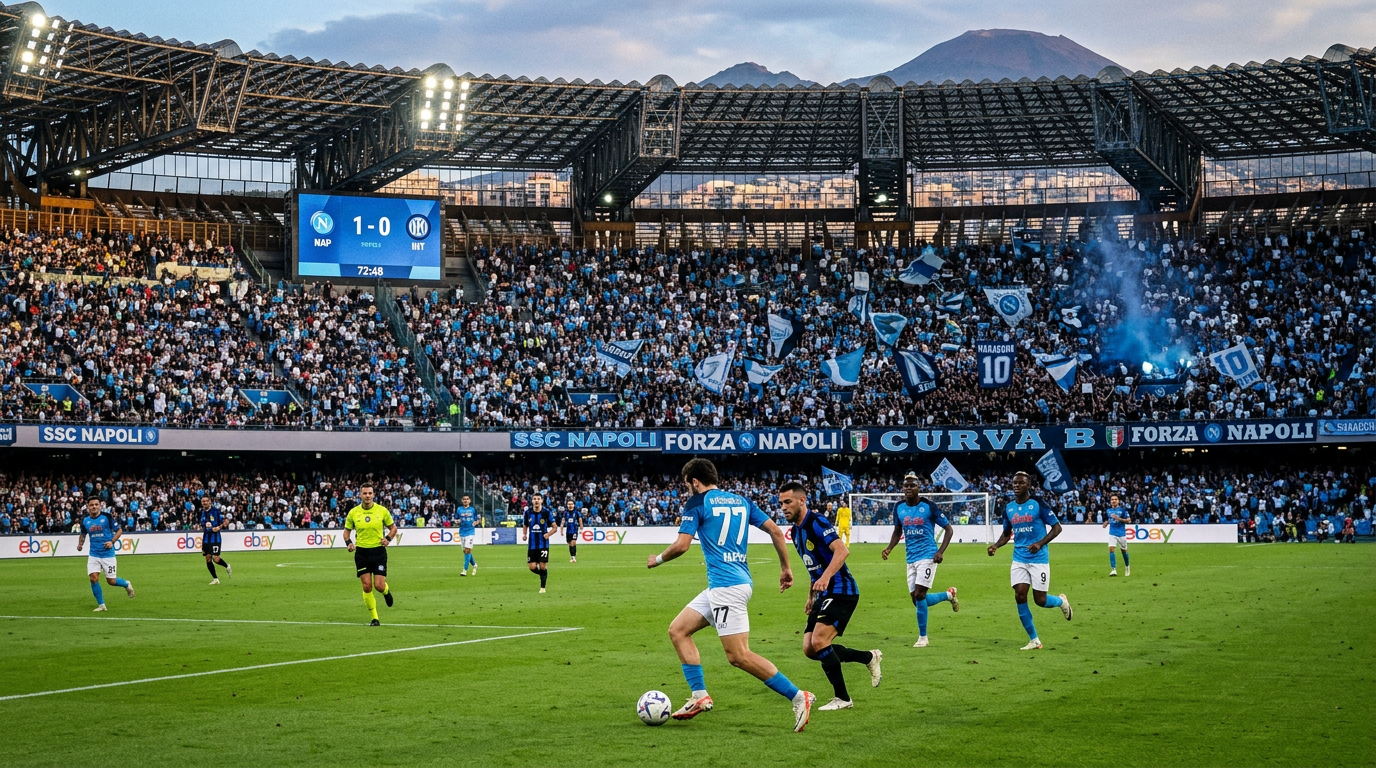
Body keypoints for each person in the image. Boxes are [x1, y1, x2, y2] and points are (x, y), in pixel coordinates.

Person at [646, 458, 815, 732]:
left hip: (727, 589)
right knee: (678, 630)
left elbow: (682, 545)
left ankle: (798, 696)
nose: (687, 489)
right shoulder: (741, 501)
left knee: (738, 656)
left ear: (695, 481)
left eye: (687, 484)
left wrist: (658, 559)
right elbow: (775, 530)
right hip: (728, 585)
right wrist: (785, 568)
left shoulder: (697, 502)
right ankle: (699, 697)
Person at [780, 481, 881, 711]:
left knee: (819, 641)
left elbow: (842, 551)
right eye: (781, 503)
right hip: (822, 591)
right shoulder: (796, 533)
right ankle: (868, 657)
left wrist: (824, 578)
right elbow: (812, 567)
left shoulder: (817, 522)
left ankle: (843, 698)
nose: (784, 507)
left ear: (801, 500)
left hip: (841, 590)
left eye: (788, 502)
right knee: (809, 648)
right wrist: (810, 595)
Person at [987, 471, 1072, 650]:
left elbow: (1057, 528)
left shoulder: (1038, 504)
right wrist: (995, 546)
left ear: (1028, 485)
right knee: (1019, 595)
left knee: (1040, 600)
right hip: (1019, 558)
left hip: (1038, 559)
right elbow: (1006, 533)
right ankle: (1034, 639)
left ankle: (1061, 602)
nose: (1016, 485)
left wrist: (1040, 543)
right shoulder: (1008, 508)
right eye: (1014, 483)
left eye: (1021, 483)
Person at [880, 472, 959, 647]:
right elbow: (897, 531)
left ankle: (923, 637)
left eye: (912, 485)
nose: (908, 488)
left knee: (920, 594)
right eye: (906, 486)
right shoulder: (899, 507)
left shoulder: (929, 506)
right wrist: (889, 548)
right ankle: (948, 595)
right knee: (916, 600)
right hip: (911, 558)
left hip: (928, 556)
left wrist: (940, 551)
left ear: (919, 488)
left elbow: (949, 529)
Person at [344, 484, 397, 626]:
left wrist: (388, 539)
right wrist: (349, 543)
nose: (367, 496)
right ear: (360, 495)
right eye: (364, 493)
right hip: (361, 552)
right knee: (367, 586)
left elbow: (393, 528)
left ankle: (386, 591)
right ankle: (375, 618)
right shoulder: (353, 512)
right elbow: (346, 531)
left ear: (373, 495)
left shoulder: (382, 511)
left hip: (378, 552)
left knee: (379, 585)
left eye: (370, 493)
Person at [76, 497, 134, 611]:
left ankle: (126, 584)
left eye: (96, 504)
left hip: (108, 554)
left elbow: (119, 530)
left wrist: (112, 542)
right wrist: (80, 544)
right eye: (91, 505)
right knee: (93, 578)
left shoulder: (107, 517)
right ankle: (101, 605)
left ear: (100, 506)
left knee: (111, 581)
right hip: (94, 554)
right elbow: (83, 534)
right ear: (88, 507)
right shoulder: (85, 520)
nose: (94, 507)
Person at [199, 495, 233, 585]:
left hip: (215, 539)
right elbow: (203, 525)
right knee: (207, 558)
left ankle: (227, 566)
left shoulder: (215, 511)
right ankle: (215, 579)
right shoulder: (202, 513)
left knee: (216, 559)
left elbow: (225, 522)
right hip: (206, 539)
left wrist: (219, 527)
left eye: (206, 501)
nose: (204, 503)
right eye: (203, 501)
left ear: (209, 502)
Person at [523, 493, 554, 592]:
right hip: (532, 544)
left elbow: (555, 527)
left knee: (542, 566)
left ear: (541, 501)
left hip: (543, 544)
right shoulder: (528, 512)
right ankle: (543, 574)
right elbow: (525, 525)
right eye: (534, 499)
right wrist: (524, 534)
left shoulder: (546, 512)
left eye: (538, 499)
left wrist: (548, 534)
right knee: (532, 567)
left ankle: (542, 587)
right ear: (532, 501)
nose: (536, 500)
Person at [1102, 493, 1131, 577]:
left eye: (1115, 499)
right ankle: (1113, 570)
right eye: (1112, 499)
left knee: (1124, 551)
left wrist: (1119, 519)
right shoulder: (1108, 511)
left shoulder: (1123, 510)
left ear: (1118, 501)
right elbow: (1110, 519)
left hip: (1121, 534)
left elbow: (1128, 520)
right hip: (1112, 533)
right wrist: (1106, 523)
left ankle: (1127, 566)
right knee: (1111, 549)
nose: (1113, 501)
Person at [456, 494, 478, 576]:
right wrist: (457, 521)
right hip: (462, 532)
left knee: (468, 550)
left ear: (470, 501)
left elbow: (477, 519)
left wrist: (476, 522)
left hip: (470, 532)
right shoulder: (459, 509)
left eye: (467, 499)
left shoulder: (473, 509)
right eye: (464, 499)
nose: (465, 500)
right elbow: (456, 518)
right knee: (465, 551)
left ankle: (464, 570)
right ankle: (474, 564)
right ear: (462, 500)